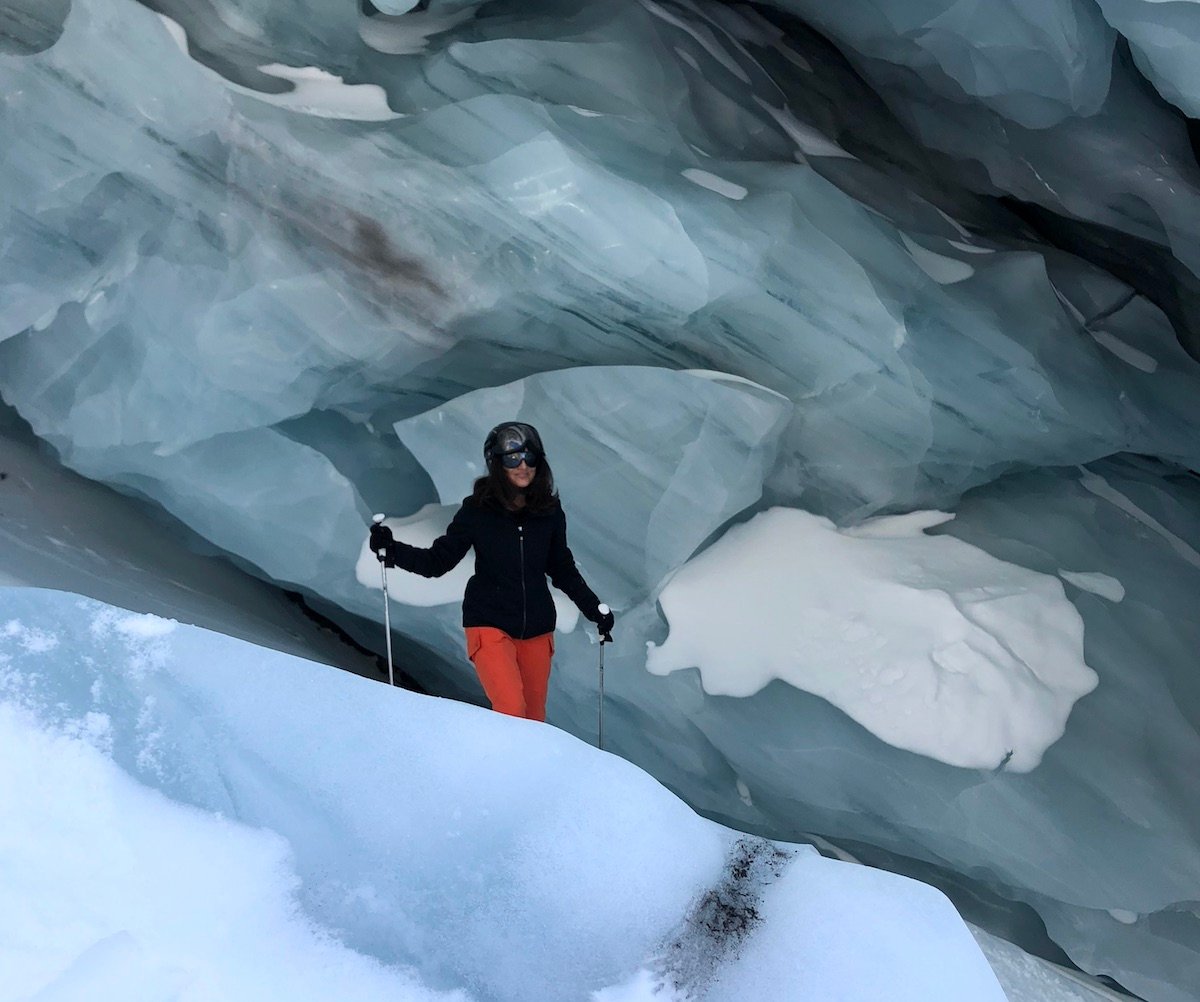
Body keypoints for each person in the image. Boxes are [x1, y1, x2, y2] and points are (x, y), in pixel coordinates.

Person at [369, 422, 615, 722]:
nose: (523, 466)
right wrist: (391, 550)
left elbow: (561, 567)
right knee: (512, 711)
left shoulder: (548, 512)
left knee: (534, 721)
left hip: (537, 629)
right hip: (489, 623)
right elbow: (437, 562)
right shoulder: (478, 511)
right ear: (497, 464)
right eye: (512, 459)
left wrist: (595, 610)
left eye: (530, 458)